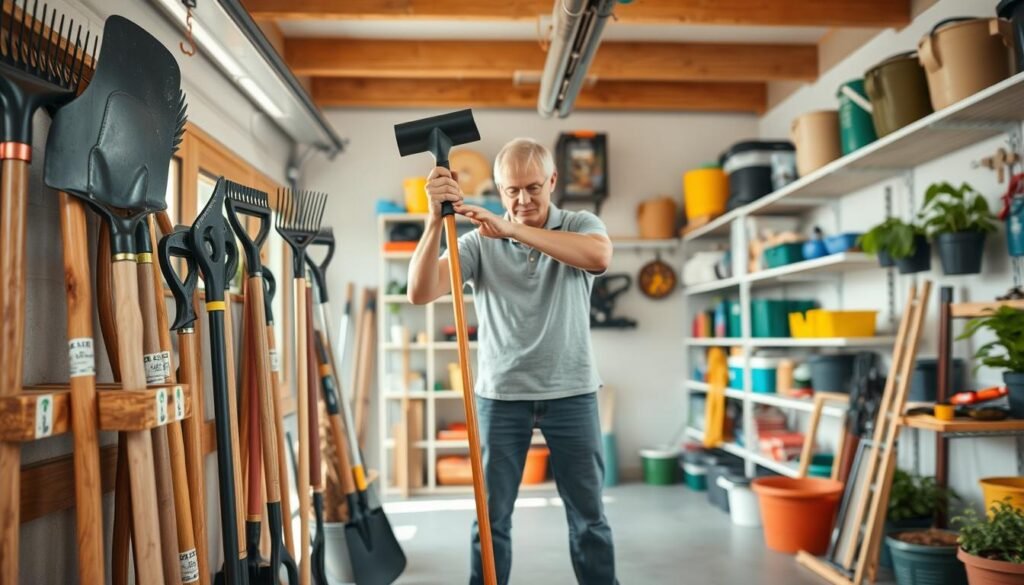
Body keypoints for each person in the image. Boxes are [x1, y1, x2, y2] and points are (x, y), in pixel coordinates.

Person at [407, 137, 618, 585]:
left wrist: (513, 230)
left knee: (589, 517)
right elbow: (420, 291)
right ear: (499, 190)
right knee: (490, 520)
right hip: (501, 397)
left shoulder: (581, 223)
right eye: (511, 191)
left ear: (553, 181)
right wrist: (432, 221)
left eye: (532, 188)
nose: (522, 200)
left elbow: (599, 256)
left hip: (571, 393)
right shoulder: (478, 243)